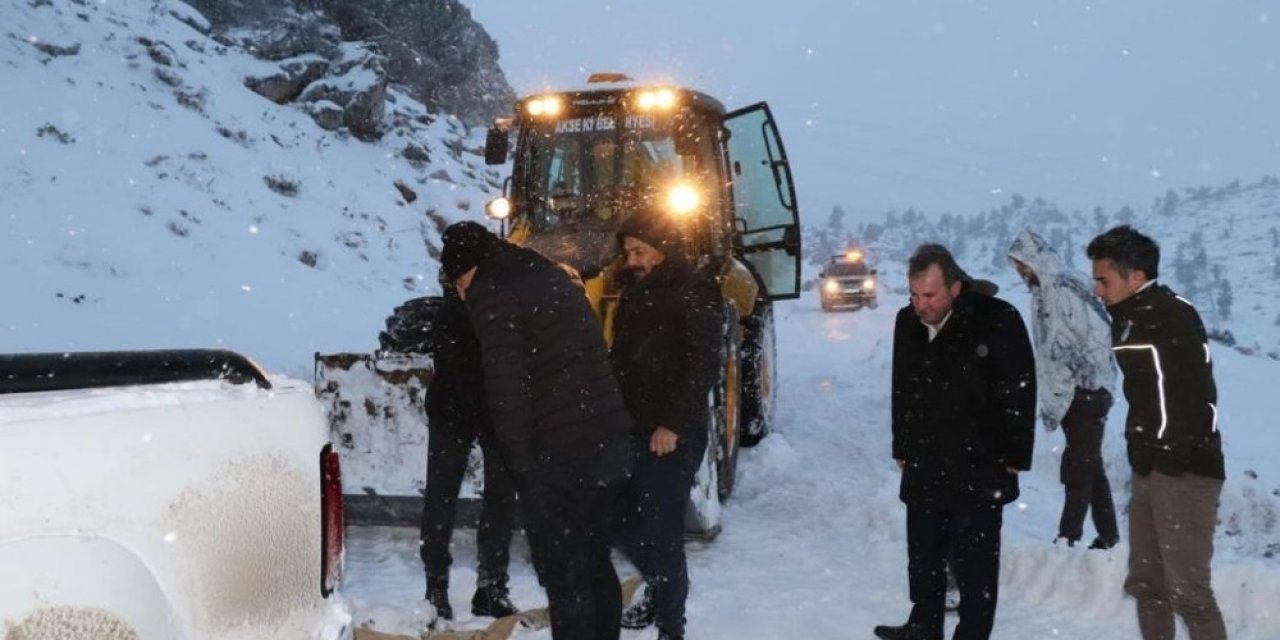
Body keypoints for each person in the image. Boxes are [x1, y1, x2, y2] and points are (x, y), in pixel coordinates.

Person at [440, 221, 635, 640]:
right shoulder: (546, 272)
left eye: (459, 285)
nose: (462, 295)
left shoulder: (492, 292)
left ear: (465, 273)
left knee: (565, 577)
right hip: (608, 440)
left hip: (563, 455)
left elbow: (507, 390)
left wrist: (523, 469)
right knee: (595, 561)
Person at [876, 243, 1036, 640]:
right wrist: (902, 445)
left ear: (955, 287)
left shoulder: (996, 319)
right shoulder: (907, 322)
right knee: (924, 556)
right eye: (914, 295)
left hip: (979, 464)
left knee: (975, 566)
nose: (921, 305)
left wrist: (1016, 454)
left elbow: (1020, 389)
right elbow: (902, 388)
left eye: (930, 295)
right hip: (926, 461)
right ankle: (923, 626)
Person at [1086, 225, 1227, 640]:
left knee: (1190, 593)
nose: (1097, 290)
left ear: (1136, 276)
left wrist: (1172, 455)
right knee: (1148, 584)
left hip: (1185, 470)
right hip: (1149, 465)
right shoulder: (1128, 317)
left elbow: (1193, 397)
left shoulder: (1172, 315)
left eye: (1104, 281)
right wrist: (1143, 452)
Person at [610, 209, 724, 640]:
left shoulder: (696, 289)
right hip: (632, 426)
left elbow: (703, 364)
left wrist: (672, 423)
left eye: (640, 251)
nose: (632, 260)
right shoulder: (632, 291)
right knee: (615, 519)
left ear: (663, 248)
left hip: (672, 434)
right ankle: (660, 589)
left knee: (662, 532)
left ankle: (671, 628)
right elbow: (623, 360)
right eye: (628, 252)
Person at [1007, 228, 1120, 550]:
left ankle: (1068, 538)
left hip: (1088, 390)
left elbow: (1097, 334)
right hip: (1070, 394)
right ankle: (1109, 536)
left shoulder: (1067, 287)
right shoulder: (1042, 292)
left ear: (1035, 259)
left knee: (1077, 467)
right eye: (1016, 265)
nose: (1020, 270)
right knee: (1090, 465)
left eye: (1022, 263)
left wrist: (1083, 377)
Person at [418, 283, 519, 621]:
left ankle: (491, 585)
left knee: (499, 499)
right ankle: (436, 584)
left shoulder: (501, 305)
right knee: (441, 498)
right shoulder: (453, 314)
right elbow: (458, 369)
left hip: (495, 414)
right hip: (454, 412)